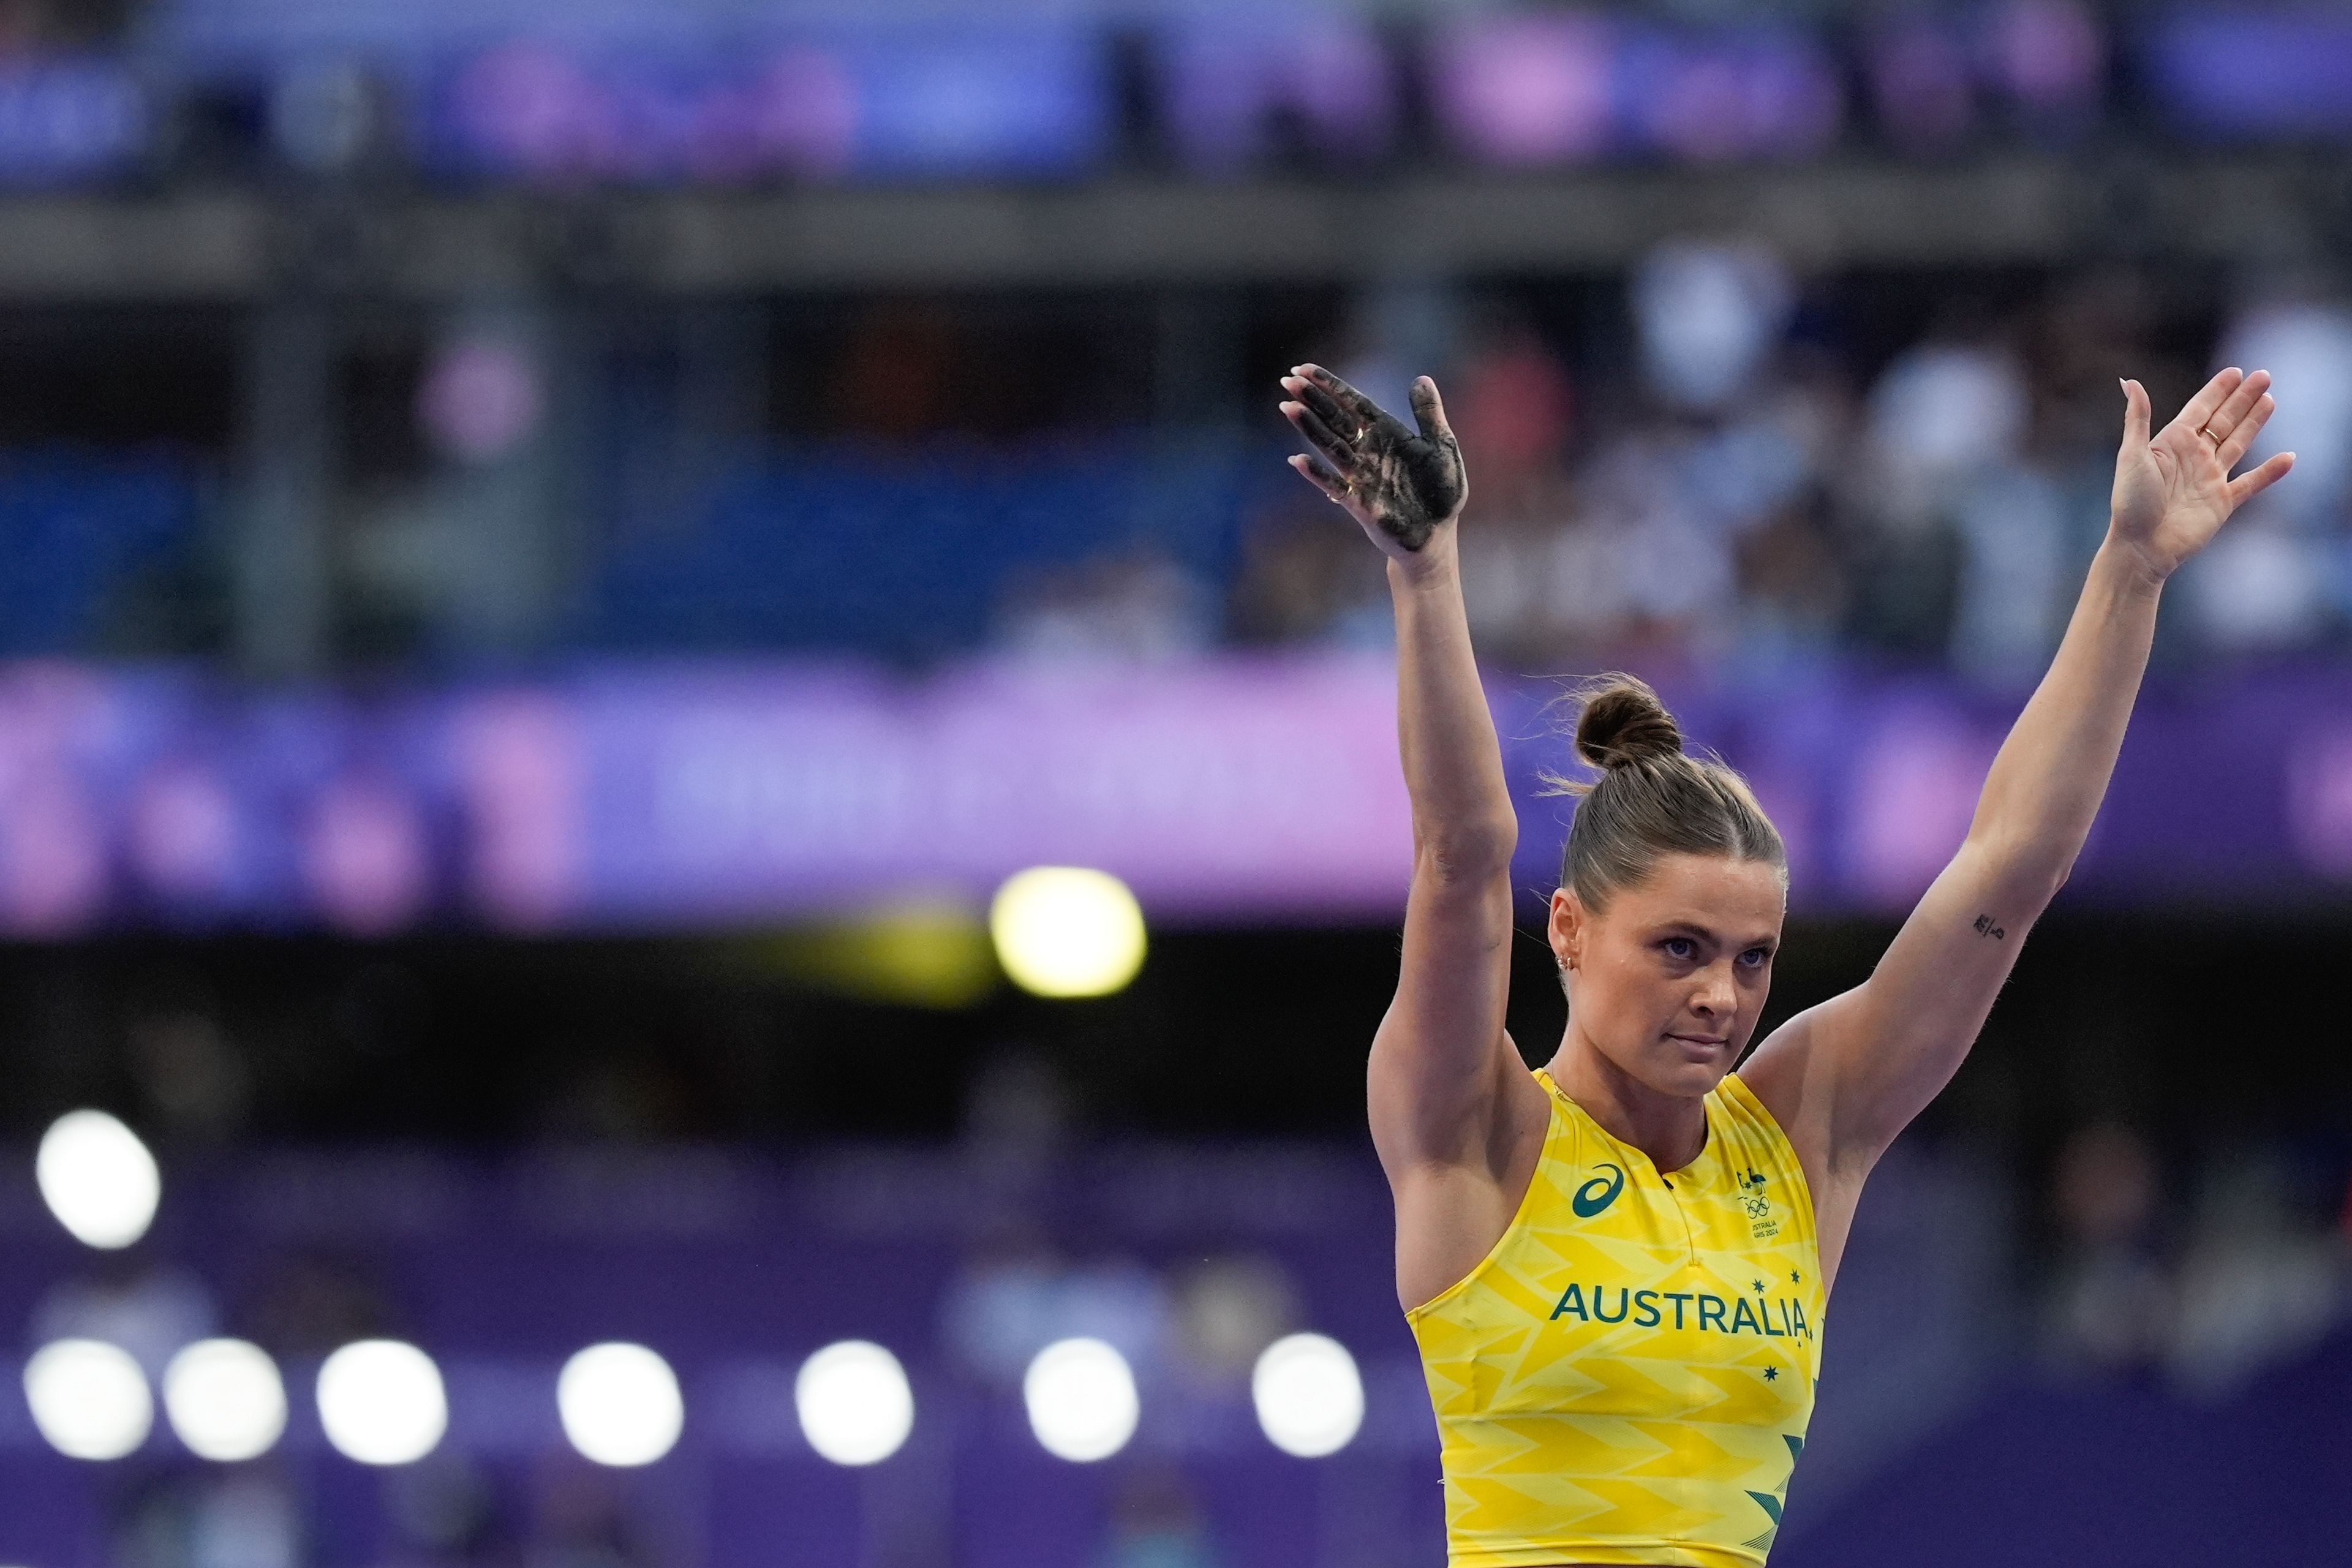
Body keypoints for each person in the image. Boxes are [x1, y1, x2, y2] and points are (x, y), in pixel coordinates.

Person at [1275, 361, 2290, 1566]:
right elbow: (1461, 851)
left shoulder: (1801, 1131)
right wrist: (1426, 573)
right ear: (1570, 931)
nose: (1722, 994)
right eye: (1679, 948)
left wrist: (2128, 572)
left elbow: (2008, 871)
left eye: (1754, 958)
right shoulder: (1479, 1134)